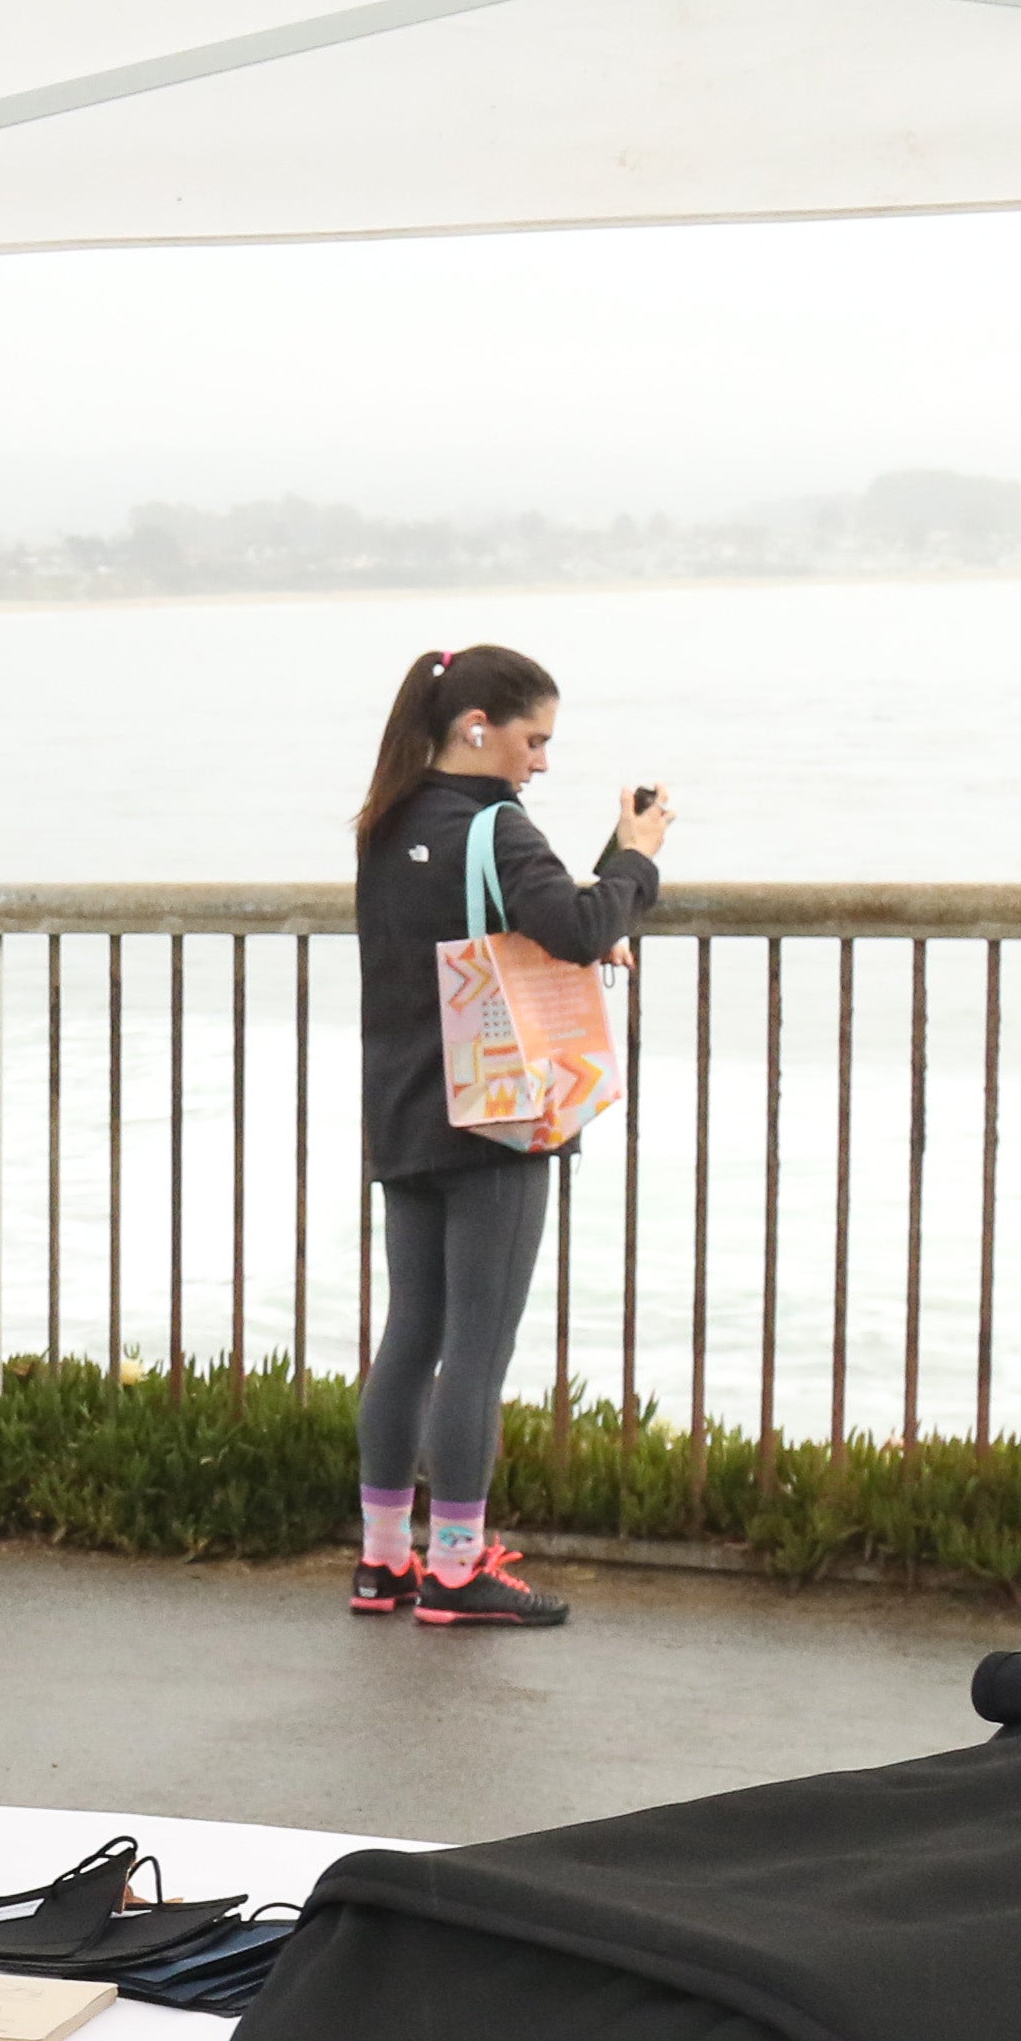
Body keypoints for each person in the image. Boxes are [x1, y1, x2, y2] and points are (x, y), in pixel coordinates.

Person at [345, 643, 669, 1629]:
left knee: (411, 1334)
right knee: (478, 1346)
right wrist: (638, 855)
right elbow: (572, 928)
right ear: (478, 727)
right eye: (534, 740)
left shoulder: (387, 818)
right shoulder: (496, 826)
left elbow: (500, 925)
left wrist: (592, 895)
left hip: (405, 1104)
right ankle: (456, 1569)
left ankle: (384, 1561)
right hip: (496, 1114)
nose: (541, 762)